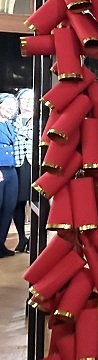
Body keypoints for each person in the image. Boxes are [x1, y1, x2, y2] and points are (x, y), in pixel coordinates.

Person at [12, 88, 34, 253]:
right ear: (18, 102)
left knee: (37, 202)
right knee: (18, 203)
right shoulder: (10, 120)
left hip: (35, 164)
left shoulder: (42, 119)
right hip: (17, 165)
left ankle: (34, 238)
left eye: (31, 99)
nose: (27, 103)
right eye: (24, 99)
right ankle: (21, 238)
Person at [0, 93, 20, 257]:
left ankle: (0, 243)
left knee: (8, 207)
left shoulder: (10, 125)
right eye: (7, 104)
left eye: (13, 106)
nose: (10, 108)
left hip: (11, 169)